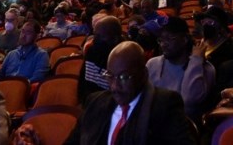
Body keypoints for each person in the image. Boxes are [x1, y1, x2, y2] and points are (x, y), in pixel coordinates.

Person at [64, 41, 194, 145]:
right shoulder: (95, 102)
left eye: (124, 77)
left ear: (143, 75)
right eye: (110, 76)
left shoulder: (165, 105)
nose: (115, 86)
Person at [145, 17, 214, 119]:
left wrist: (195, 61)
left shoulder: (206, 68)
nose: (163, 44)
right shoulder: (152, 64)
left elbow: (189, 100)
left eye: (169, 38)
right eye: (161, 39)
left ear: (184, 39)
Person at [0, 19, 49, 83]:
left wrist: (21, 86)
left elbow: (38, 77)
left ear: (36, 36)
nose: (23, 35)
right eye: (23, 31)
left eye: (28, 33)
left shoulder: (41, 55)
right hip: (6, 88)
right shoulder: (11, 54)